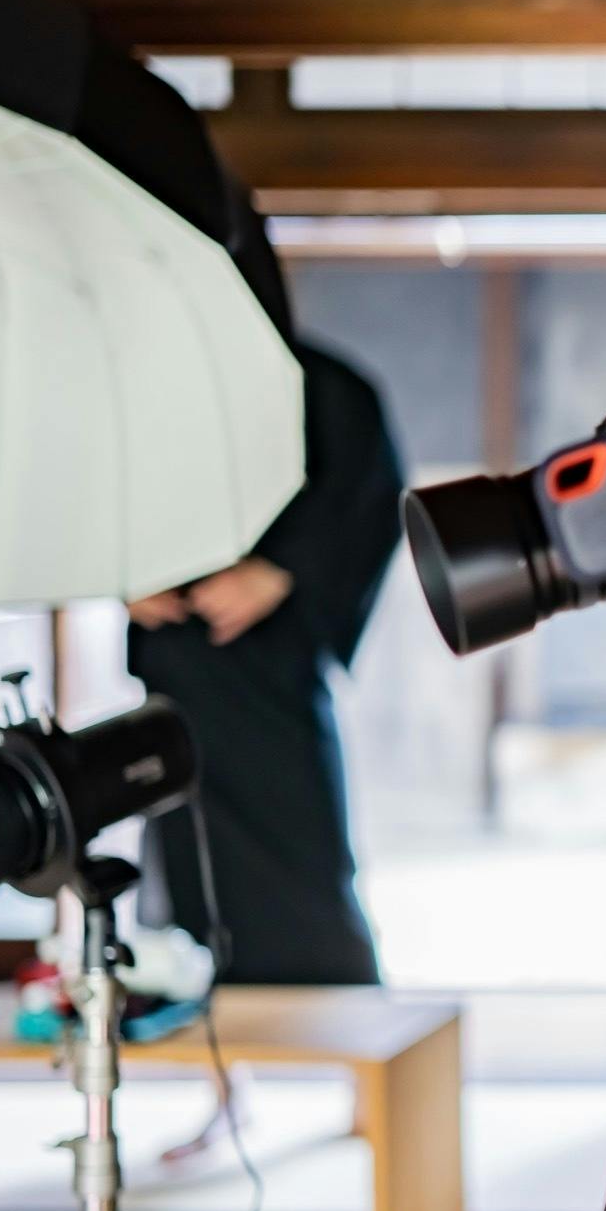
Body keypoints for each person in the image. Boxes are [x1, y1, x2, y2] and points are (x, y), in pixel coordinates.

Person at [128, 337, 402, 988]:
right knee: (193, 868)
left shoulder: (320, 384)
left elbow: (367, 492)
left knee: (304, 861)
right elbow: (95, 494)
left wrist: (282, 571)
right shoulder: (141, 381)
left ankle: (340, 1013)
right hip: (177, 670)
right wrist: (122, 573)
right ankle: (213, 1019)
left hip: (272, 673)